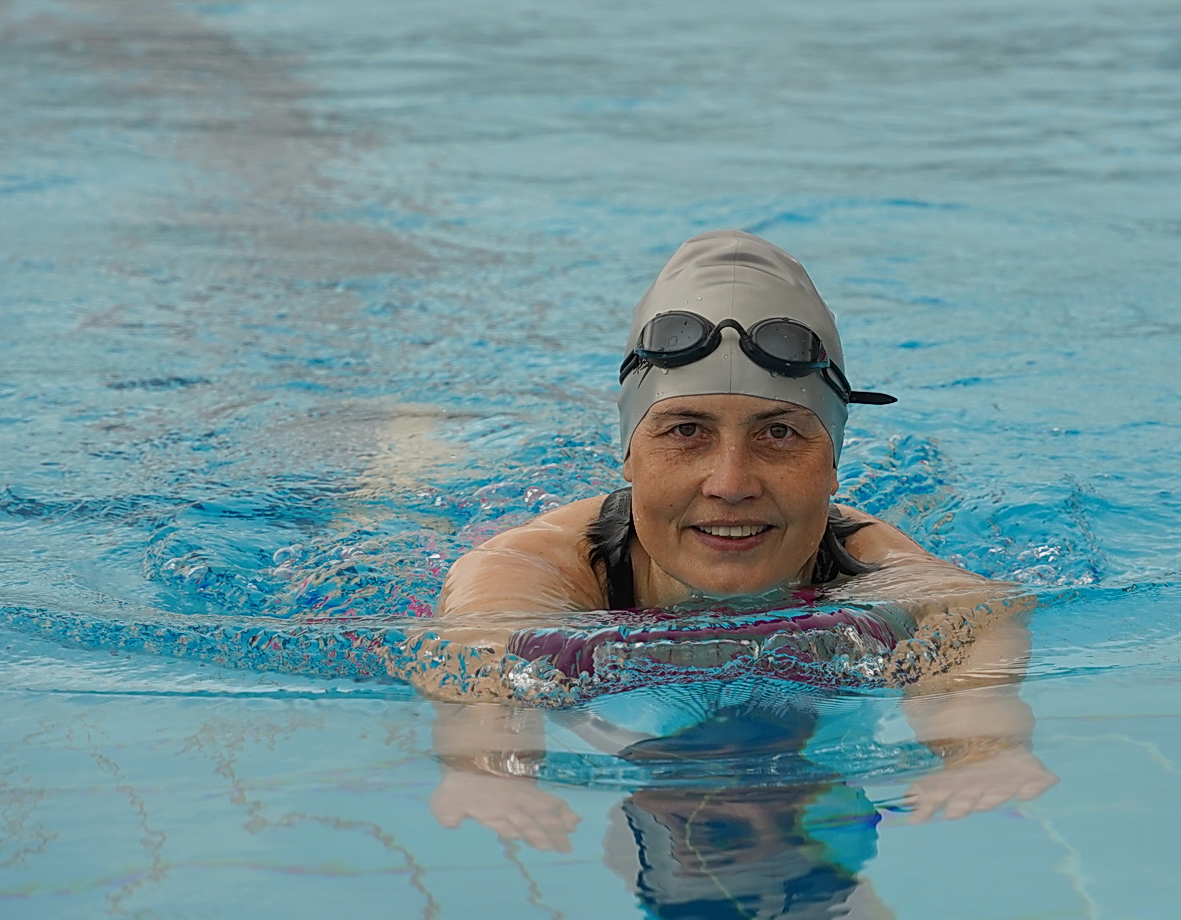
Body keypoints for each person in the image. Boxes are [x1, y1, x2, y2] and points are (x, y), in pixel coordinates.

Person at [417, 229, 1055, 842]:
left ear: (834, 463)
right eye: (685, 431)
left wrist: (983, 750)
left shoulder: (870, 559)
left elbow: (976, 620)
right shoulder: (537, 564)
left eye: (779, 432)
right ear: (629, 454)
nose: (730, 483)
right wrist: (489, 769)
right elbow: (481, 666)